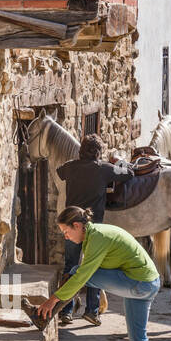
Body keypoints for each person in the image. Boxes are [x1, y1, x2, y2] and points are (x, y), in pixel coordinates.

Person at [37, 206, 163, 341]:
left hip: (140, 284)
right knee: (139, 339)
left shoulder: (97, 237)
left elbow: (84, 276)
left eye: (66, 232)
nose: (66, 237)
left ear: (77, 225)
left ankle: (50, 311)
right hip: (146, 283)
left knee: (80, 272)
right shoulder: (94, 236)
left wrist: (52, 299)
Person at [55, 133, 133, 326]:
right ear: (98, 153)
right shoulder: (104, 169)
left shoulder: (70, 167)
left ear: (81, 151)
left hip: (71, 225)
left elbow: (59, 171)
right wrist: (120, 161)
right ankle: (92, 311)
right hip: (93, 228)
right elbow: (129, 173)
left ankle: (66, 311)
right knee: (93, 267)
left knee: (70, 267)